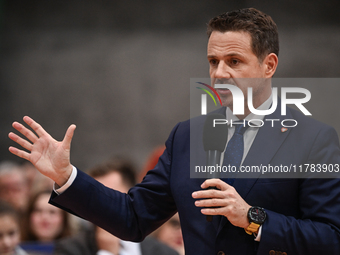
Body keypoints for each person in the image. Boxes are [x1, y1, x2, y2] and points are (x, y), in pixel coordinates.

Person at [8, 7, 340, 255]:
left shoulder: (313, 140)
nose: (219, 73)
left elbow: (331, 237)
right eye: (213, 61)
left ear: (269, 65)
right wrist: (67, 176)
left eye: (234, 61)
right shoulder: (186, 136)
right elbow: (134, 218)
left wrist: (252, 218)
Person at [54, 159, 179, 255]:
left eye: (110, 195)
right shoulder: (70, 249)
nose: (102, 203)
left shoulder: (164, 252)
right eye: (95, 196)